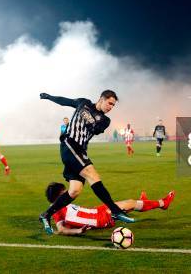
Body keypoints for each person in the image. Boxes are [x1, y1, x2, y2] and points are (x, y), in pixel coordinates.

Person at [38, 90, 135, 235]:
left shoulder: (105, 120)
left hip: (80, 151)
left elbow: (95, 129)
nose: (110, 107)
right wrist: (49, 97)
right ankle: (115, 210)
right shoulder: (83, 102)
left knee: (75, 190)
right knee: (92, 175)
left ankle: (46, 215)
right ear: (101, 99)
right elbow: (66, 101)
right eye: (109, 103)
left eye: (113, 106)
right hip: (70, 145)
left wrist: (87, 117)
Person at [45, 182, 175, 235]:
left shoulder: (57, 207)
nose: (68, 191)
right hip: (101, 218)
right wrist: (78, 231)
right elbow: (61, 229)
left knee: (128, 204)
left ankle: (144, 202)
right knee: (130, 203)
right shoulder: (57, 209)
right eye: (65, 191)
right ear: (60, 195)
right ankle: (163, 203)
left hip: (98, 211)